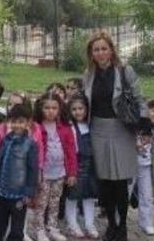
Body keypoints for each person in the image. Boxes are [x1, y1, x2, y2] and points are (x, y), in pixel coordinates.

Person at [81, 32, 146, 241]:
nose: (100, 53)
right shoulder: (88, 75)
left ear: (111, 50)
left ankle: (122, 227)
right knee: (105, 183)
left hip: (121, 130)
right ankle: (111, 223)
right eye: (96, 49)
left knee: (119, 182)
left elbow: (139, 99)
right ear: (91, 53)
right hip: (97, 130)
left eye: (104, 48)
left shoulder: (125, 71)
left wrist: (145, 129)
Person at [29, 93, 77, 241]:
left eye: (54, 108)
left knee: (55, 202)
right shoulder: (36, 127)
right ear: (40, 108)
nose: (50, 111)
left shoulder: (65, 128)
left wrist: (72, 173)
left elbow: (71, 151)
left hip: (60, 172)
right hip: (44, 172)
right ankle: (39, 229)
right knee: (41, 202)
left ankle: (53, 227)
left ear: (60, 109)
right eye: (47, 108)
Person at [0, 103, 38, 241]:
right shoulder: (5, 141)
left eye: (21, 122)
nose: (17, 125)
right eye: (14, 121)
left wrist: (28, 192)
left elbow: (33, 170)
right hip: (1, 192)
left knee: (16, 230)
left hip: (18, 195)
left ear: (28, 122)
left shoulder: (31, 144)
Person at [131, 100, 154, 236]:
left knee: (146, 196)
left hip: (146, 167)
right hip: (129, 165)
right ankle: (118, 221)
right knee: (125, 194)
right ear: (147, 110)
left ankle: (146, 222)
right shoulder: (137, 122)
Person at [64, 95, 99, 239]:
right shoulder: (70, 126)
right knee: (72, 195)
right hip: (76, 165)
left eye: (81, 109)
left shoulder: (91, 125)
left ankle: (89, 224)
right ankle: (72, 224)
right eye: (74, 109)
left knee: (89, 195)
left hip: (91, 165)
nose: (78, 112)